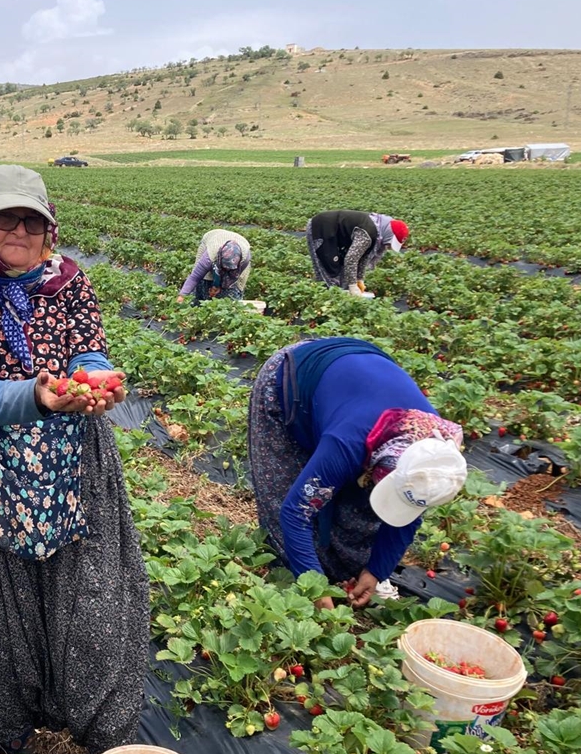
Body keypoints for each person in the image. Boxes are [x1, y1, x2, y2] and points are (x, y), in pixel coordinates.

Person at [0, 165, 148, 754]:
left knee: (91, 593)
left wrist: (97, 378)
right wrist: (34, 396)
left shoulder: (69, 282)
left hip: (71, 462)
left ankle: (97, 722)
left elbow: (89, 349)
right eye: (5, 218)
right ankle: (15, 733)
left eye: (32, 219)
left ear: (48, 229)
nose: (19, 230)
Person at [247, 337, 467, 608]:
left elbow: (409, 512)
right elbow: (294, 512)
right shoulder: (347, 443)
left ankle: (342, 568)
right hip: (295, 374)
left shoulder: (435, 456)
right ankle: (293, 565)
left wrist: (376, 571)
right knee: (286, 485)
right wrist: (313, 586)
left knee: (363, 504)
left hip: (357, 376)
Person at [305, 211, 408, 297]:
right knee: (329, 271)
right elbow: (351, 259)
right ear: (389, 234)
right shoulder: (368, 233)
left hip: (334, 234)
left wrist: (359, 279)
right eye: (390, 242)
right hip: (321, 228)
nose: (388, 246)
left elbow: (363, 257)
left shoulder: (377, 232)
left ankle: (336, 298)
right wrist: (353, 286)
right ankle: (324, 302)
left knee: (341, 274)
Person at [176, 230, 251, 304]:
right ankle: (200, 302)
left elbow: (233, 277)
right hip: (212, 238)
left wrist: (219, 287)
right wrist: (182, 295)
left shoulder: (245, 258)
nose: (226, 269)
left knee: (236, 286)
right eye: (224, 266)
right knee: (205, 278)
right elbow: (195, 277)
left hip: (240, 242)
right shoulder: (209, 256)